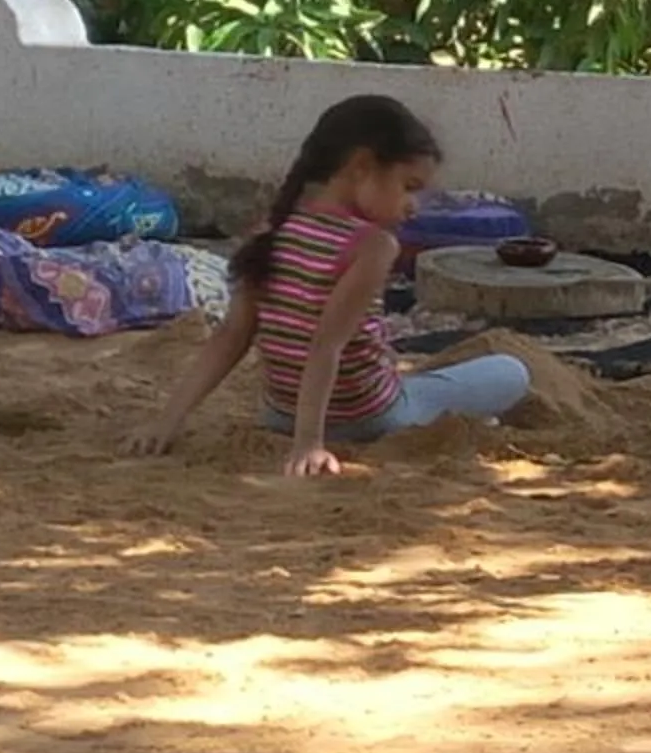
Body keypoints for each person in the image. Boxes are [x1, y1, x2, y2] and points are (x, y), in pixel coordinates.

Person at [129, 94, 531, 476]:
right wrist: (309, 444)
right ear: (362, 167)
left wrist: (167, 421)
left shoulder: (272, 232)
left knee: (415, 374)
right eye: (409, 187)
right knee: (510, 371)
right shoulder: (372, 246)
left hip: (278, 412)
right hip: (368, 415)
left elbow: (231, 336)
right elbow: (326, 345)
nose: (414, 206)